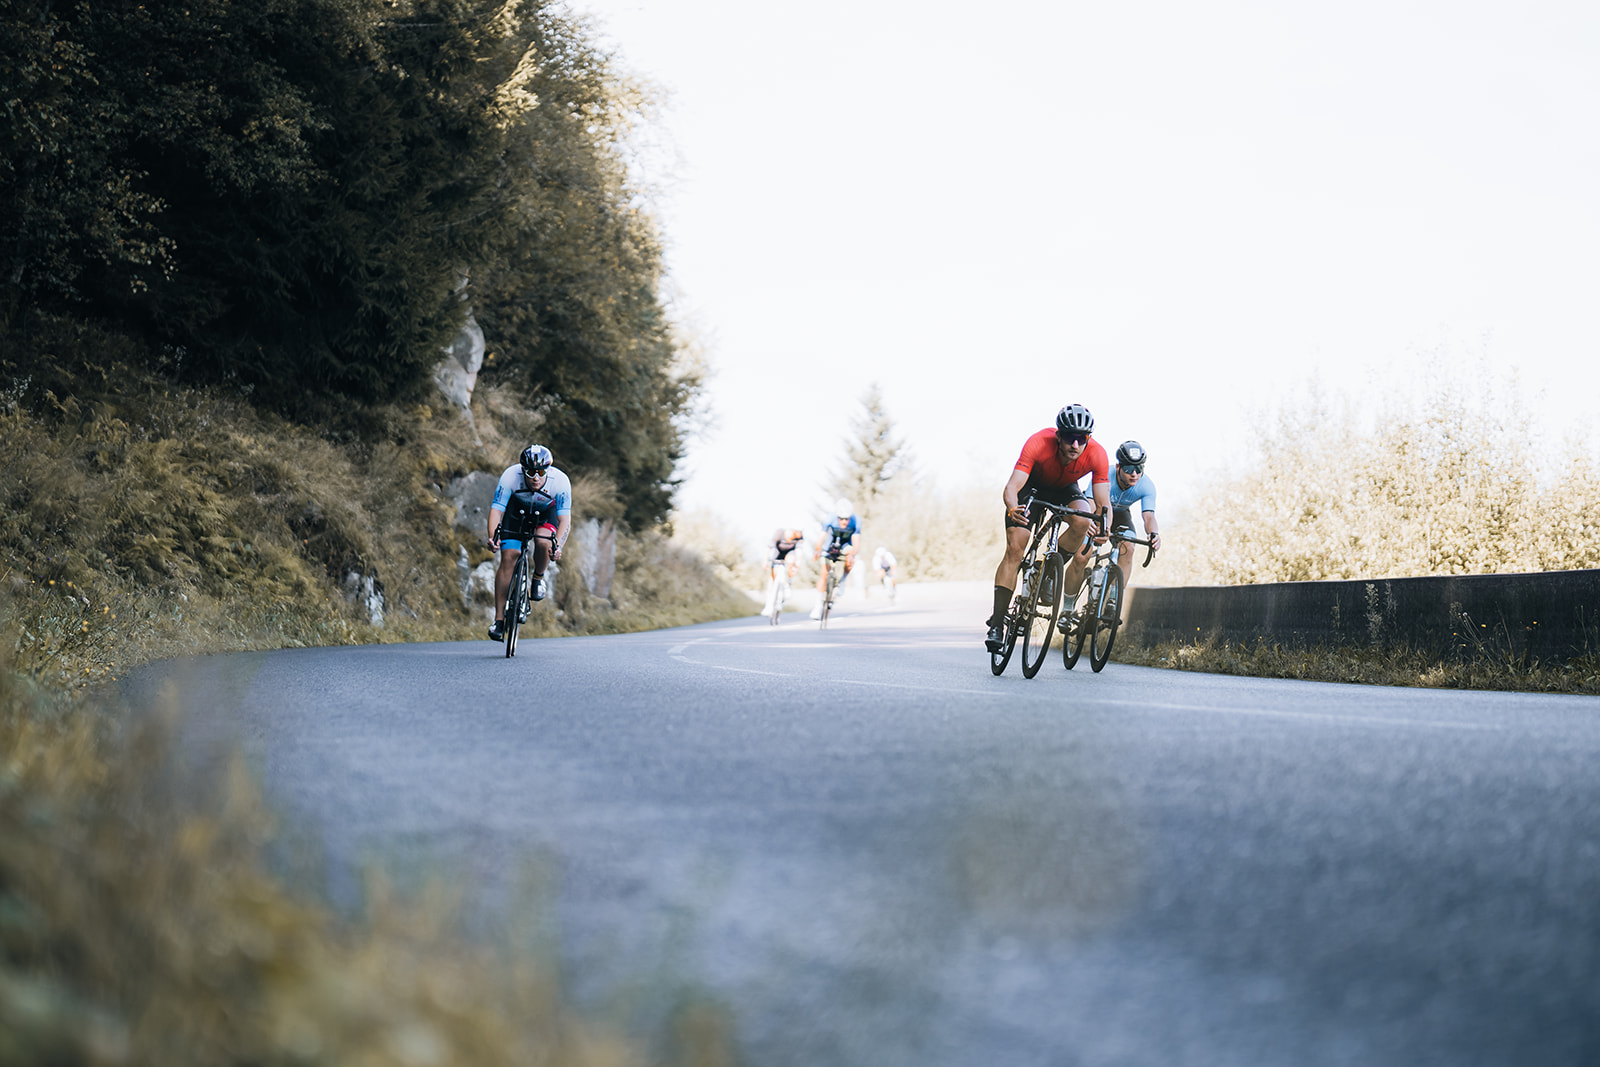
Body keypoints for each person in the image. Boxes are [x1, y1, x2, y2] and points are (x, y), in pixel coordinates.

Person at [987, 403, 1111, 652]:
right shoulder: (1038, 442)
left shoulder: (1097, 454)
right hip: (1031, 488)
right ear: (1058, 436)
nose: (1075, 445)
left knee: (1084, 519)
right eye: (1069, 437)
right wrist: (1013, 508)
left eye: (1082, 438)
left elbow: (1103, 502)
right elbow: (1012, 487)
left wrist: (1104, 526)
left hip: (1064, 488)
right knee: (1015, 550)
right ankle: (998, 622)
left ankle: (1047, 574)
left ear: (1088, 438)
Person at [485, 444, 573, 641]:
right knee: (508, 557)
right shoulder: (510, 476)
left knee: (544, 544)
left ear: (547, 470)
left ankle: (538, 578)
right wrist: (493, 538)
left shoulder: (560, 482)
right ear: (522, 469)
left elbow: (564, 520)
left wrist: (558, 545)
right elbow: (497, 510)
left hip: (545, 515)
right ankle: (499, 621)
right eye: (530, 472)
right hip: (516, 513)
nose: (535, 477)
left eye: (541, 472)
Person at [1108, 440, 1161, 586]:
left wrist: (1154, 533)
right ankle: (1069, 604)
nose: (1134, 474)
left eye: (1138, 468)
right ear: (1118, 467)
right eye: (1129, 468)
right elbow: (1091, 502)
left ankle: (1114, 598)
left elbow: (1149, 516)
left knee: (1128, 548)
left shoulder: (1147, 485)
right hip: (1099, 510)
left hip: (1121, 515)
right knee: (1083, 554)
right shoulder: (1106, 474)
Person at [810, 497, 861, 620]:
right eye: (841, 519)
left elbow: (856, 541)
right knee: (824, 573)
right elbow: (821, 537)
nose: (844, 522)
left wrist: (852, 554)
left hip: (846, 544)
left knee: (850, 560)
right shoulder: (830, 519)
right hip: (830, 543)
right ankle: (818, 606)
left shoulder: (856, 520)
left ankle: (842, 580)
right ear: (837, 516)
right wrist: (818, 549)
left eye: (846, 519)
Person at [760, 527, 805, 617]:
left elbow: (799, 552)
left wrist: (797, 566)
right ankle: (769, 605)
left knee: (791, 561)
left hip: (789, 554)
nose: (799, 536)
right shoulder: (779, 534)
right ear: (793, 531)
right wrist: (765, 560)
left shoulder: (799, 538)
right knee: (773, 577)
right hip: (778, 553)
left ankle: (788, 583)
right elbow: (769, 548)